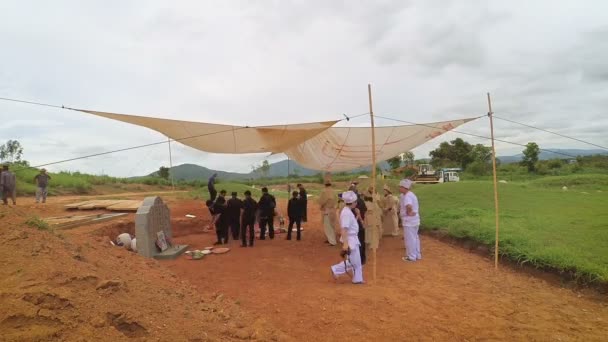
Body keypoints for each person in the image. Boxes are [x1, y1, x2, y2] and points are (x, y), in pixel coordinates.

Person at [330, 191, 364, 284]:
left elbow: (351, 225)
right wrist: (345, 244)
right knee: (354, 261)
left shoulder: (348, 211)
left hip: (352, 238)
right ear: (352, 203)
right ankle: (336, 269)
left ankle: (357, 279)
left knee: (356, 261)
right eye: (355, 202)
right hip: (350, 239)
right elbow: (344, 229)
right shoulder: (346, 213)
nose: (356, 203)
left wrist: (357, 215)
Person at [399, 179, 421, 262]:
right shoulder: (411, 194)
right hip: (415, 220)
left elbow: (408, 206)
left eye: (400, 187)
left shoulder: (407, 196)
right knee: (415, 238)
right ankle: (417, 254)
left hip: (409, 221)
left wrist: (409, 213)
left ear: (404, 187)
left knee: (410, 239)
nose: (399, 188)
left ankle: (411, 256)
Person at [363, 186, 382, 250]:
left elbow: (372, 210)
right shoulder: (368, 202)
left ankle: (374, 244)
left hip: (373, 217)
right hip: (370, 217)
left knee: (373, 230)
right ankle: (370, 242)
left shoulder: (374, 201)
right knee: (369, 230)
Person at [353, 190, 368, 265]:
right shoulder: (362, 201)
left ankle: (357, 260)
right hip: (361, 224)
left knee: (356, 243)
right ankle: (363, 259)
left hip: (356, 226)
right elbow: (365, 210)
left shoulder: (353, 205)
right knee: (362, 242)